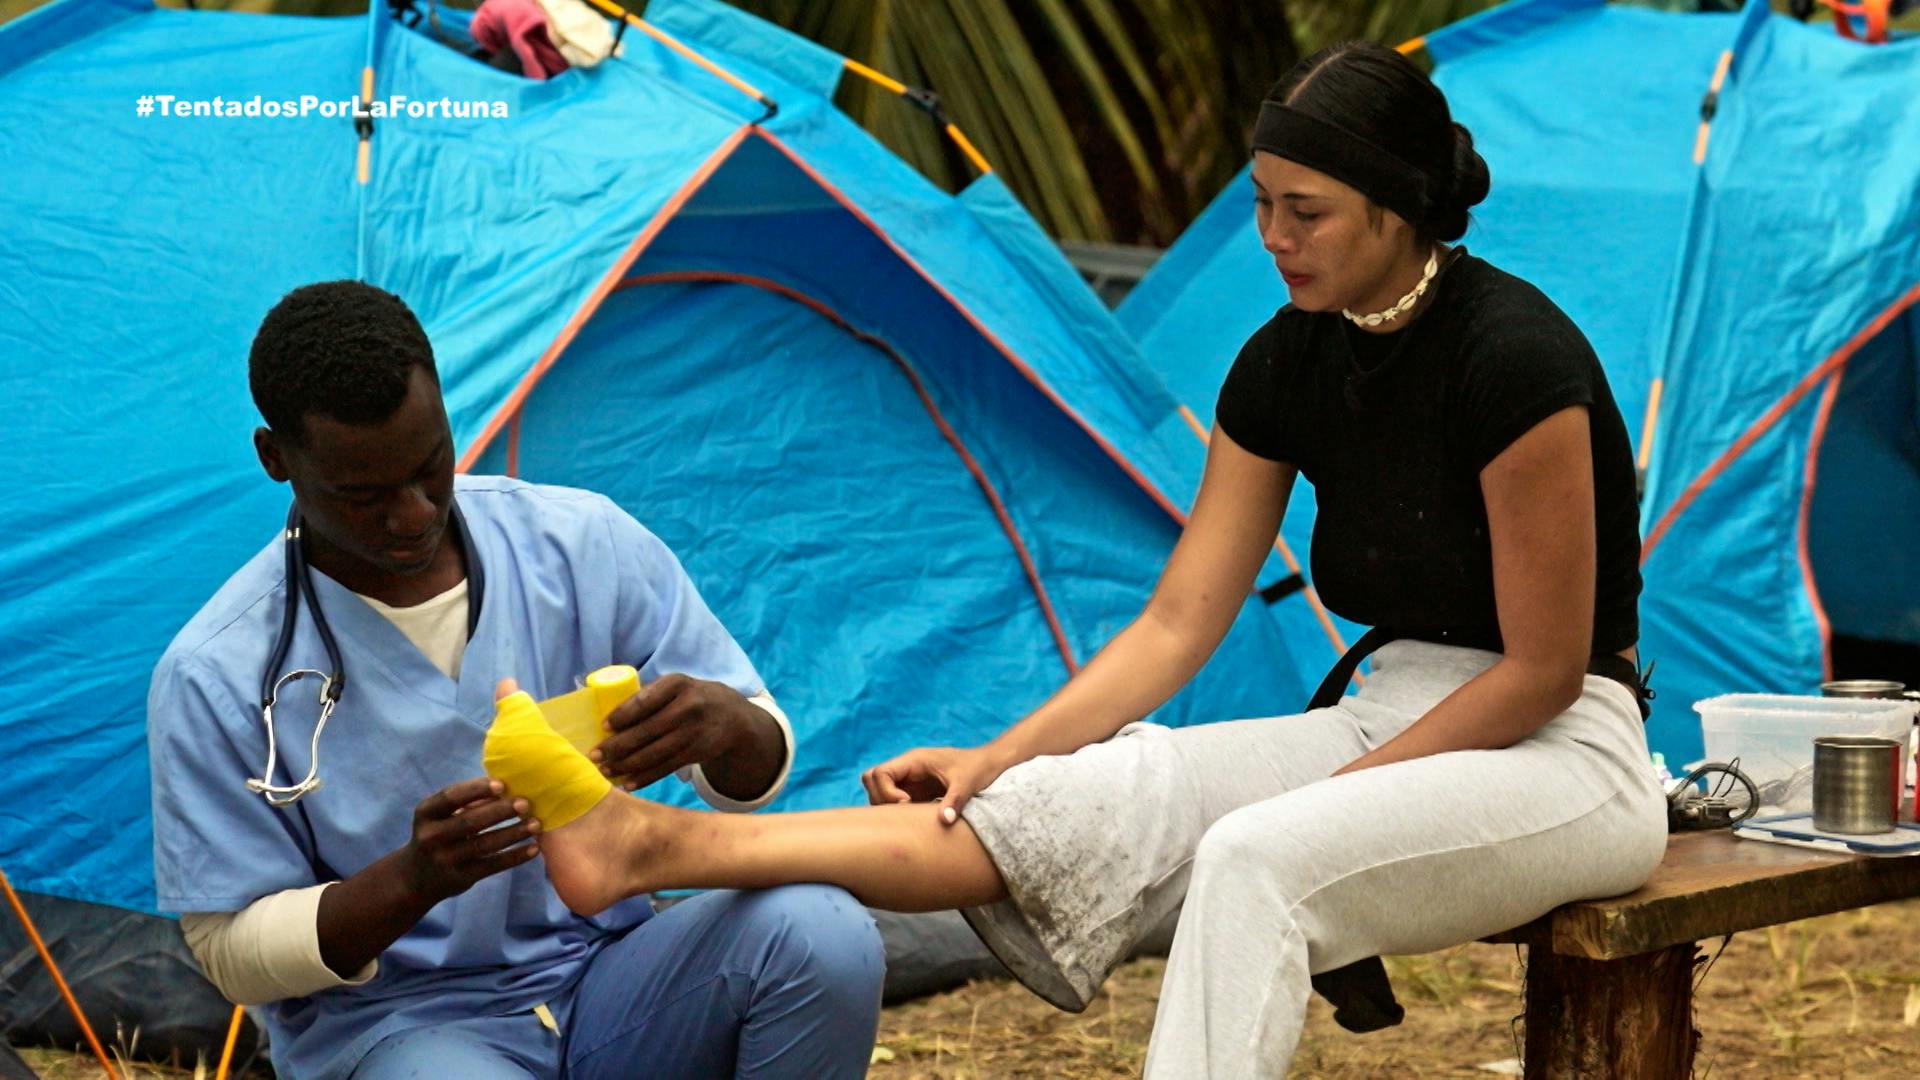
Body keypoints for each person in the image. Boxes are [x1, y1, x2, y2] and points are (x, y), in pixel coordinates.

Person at [480, 40, 1673, 1078]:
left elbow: (1543, 672)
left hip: (1568, 754)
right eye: (1260, 203)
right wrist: (996, 759)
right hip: (1391, 712)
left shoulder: (1516, 364)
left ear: (1397, 203)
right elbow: (1178, 620)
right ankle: (660, 844)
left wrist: (1333, 796)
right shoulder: (1283, 360)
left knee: (1258, 848)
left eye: (1302, 211)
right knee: (1065, 803)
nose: (1271, 237)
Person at [146, 281, 885, 1080]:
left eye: (432, 466)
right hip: (406, 1031)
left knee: (824, 937)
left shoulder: (578, 543)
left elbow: (758, 761)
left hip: (611, 980)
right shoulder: (216, 673)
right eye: (363, 497)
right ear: (275, 460)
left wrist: (726, 728)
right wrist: (411, 879)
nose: (415, 513)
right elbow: (230, 954)